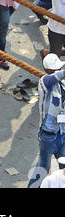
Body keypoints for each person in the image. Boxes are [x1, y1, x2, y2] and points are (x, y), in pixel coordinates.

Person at [30, 53, 65, 187]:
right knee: (43, 168)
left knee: (63, 165)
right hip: (48, 135)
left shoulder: (62, 84)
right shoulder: (44, 82)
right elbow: (54, 78)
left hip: (62, 133)